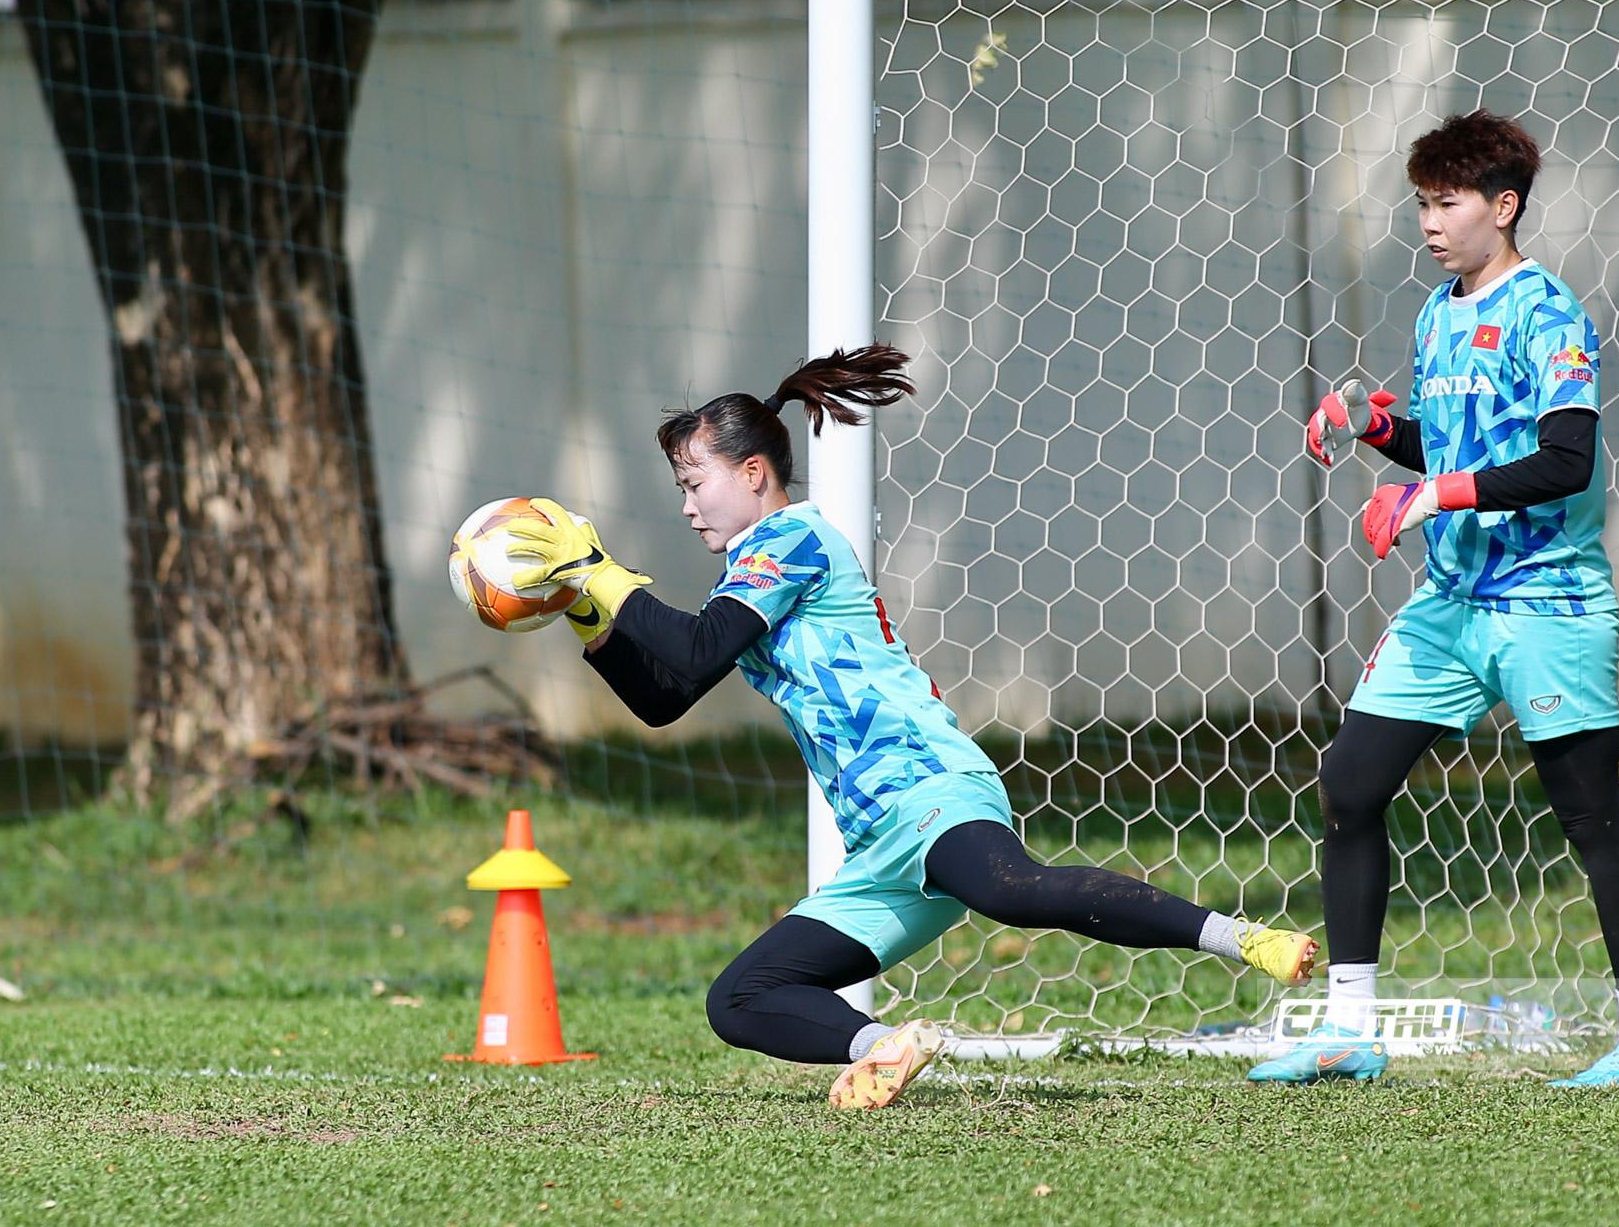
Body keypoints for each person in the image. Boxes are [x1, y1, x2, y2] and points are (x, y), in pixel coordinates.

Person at [506, 343, 1319, 1110]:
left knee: (1009, 889)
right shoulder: (747, 567)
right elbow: (668, 695)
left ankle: (1238, 937)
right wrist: (587, 612)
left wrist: (599, 571)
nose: (687, 508)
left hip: (928, 782)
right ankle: (887, 1045)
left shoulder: (794, 541)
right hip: (883, 846)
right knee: (741, 999)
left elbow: (699, 643)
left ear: (753, 473)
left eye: (696, 483)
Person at [1250, 110, 1619, 1088]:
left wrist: (1431, 494)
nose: (1430, 222)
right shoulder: (1439, 310)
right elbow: (1441, 445)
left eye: (1448, 204)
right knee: (1352, 783)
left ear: (1505, 206)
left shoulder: (1550, 311)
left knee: (1590, 812)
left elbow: (1566, 461)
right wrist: (1368, 422)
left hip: (1547, 600)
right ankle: (1351, 1027)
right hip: (1450, 602)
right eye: (1423, 204)